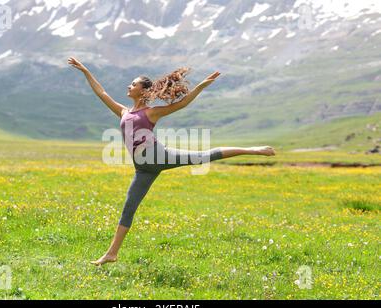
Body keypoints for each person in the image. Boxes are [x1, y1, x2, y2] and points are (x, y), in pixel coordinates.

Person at [68, 57, 275, 266]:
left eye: (133, 84)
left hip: (159, 156)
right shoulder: (123, 111)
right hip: (142, 169)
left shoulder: (151, 112)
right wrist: (85, 71)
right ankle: (112, 253)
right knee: (128, 208)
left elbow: (182, 103)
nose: (128, 86)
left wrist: (201, 86)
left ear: (142, 90)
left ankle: (253, 149)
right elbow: (101, 92)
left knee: (203, 156)